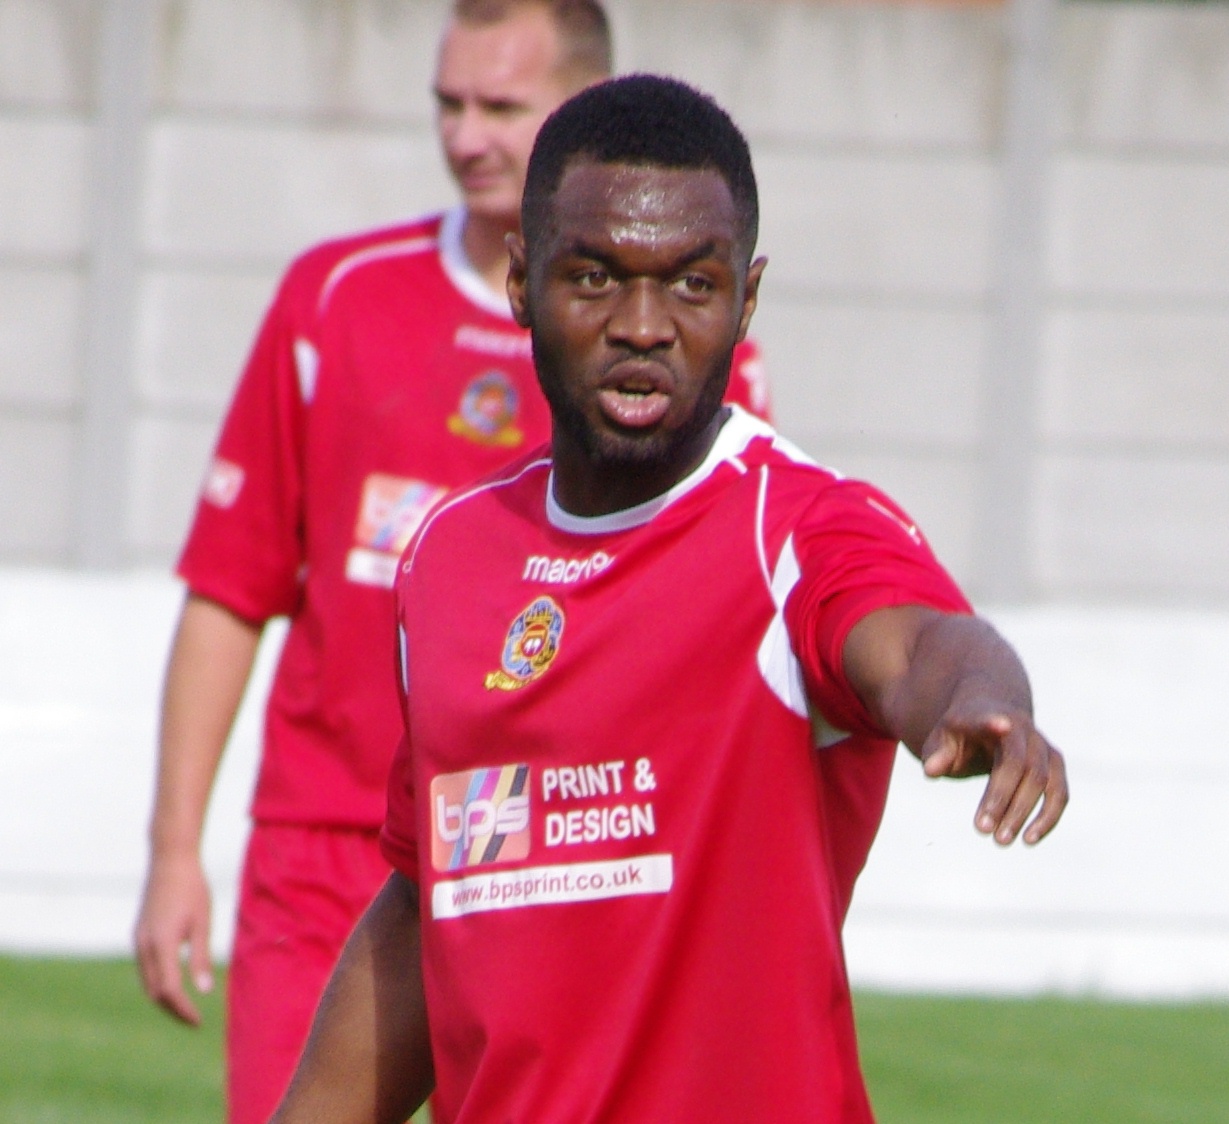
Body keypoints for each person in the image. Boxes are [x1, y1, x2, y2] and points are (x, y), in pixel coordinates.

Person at [269, 74, 1069, 1124]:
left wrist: (973, 695)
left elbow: (916, 643)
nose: (641, 324)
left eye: (691, 285)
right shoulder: (450, 557)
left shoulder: (791, 531)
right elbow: (434, 902)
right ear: (522, 281)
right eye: (595, 277)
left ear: (745, 298)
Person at [136, 3, 766, 1122]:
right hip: (321, 854)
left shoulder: (664, 352)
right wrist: (174, 847)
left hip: (543, 858)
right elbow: (229, 591)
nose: (466, 135)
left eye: (501, 107)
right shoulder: (336, 297)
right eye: (448, 103)